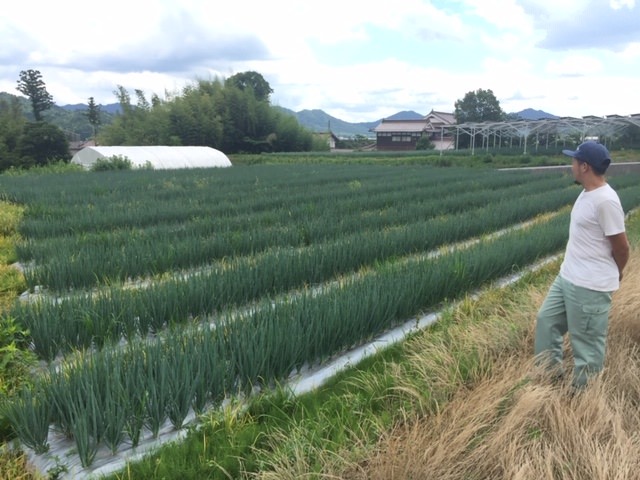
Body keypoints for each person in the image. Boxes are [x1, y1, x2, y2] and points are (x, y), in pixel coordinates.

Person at [534, 140, 630, 390]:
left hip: (589, 285)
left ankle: (583, 400)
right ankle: (549, 380)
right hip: (568, 277)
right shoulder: (587, 192)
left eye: (574, 160)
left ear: (584, 166)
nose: (571, 164)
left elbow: (621, 247)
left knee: (586, 347)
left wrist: (616, 272)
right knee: (546, 321)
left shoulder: (606, 201)